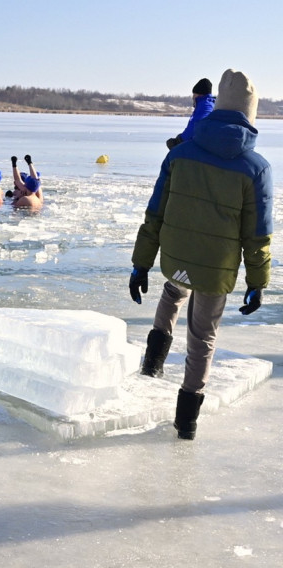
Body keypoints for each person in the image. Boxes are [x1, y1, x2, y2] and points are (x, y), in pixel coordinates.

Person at [130, 69, 272, 440]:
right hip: (215, 270)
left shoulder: (181, 154)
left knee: (174, 289)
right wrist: (258, 282)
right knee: (203, 336)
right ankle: (186, 421)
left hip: (176, 259)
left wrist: (140, 263)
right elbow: (257, 236)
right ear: (250, 115)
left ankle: (153, 364)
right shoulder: (256, 169)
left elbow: (155, 212)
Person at [166, 78, 215, 150]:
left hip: (202, 146)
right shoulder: (208, 103)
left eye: (194, 94)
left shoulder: (205, 106)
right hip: (203, 143)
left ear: (198, 94)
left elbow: (197, 125)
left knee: (173, 157)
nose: (192, 97)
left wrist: (180, 140)